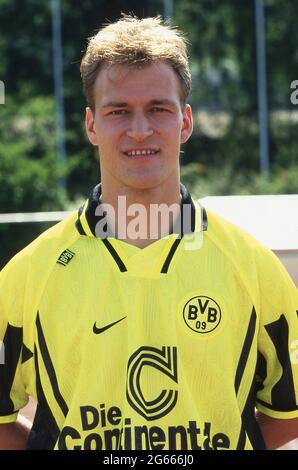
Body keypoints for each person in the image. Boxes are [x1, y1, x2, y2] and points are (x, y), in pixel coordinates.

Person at [0, 15, 297, 451]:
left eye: (158, 108)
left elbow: (288, 412)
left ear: (185, 122)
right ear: (91, 126)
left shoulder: (252, 267)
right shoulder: (29, 274)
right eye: (118, 111)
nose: (140, 130)